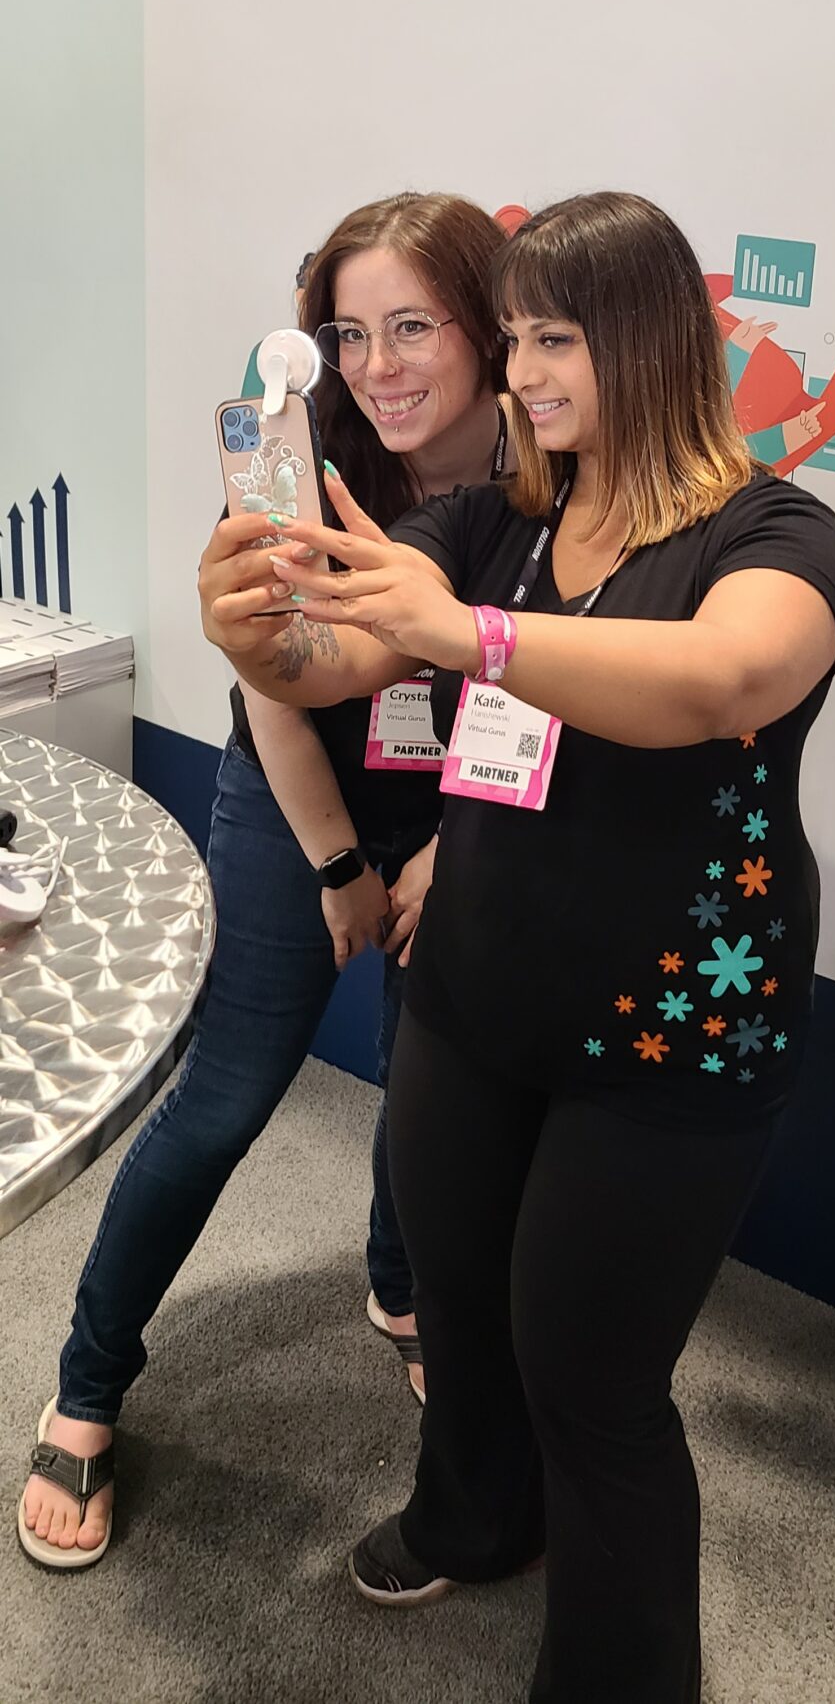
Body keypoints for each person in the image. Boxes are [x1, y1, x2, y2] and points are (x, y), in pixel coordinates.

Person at [197, 191, 835, 1704]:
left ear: (645, 340)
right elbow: (337, 651)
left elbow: (717, 679)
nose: (524, 373)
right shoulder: (499, 519)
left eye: (554, 338)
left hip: (670, 1043)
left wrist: (469, 637)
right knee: (465, 1312)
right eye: (514, 341)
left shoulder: (774, 534)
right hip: (475, 999)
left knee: (595, 1387)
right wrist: (249, 631)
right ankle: (477, 1516)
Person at [19, 190, 506, 1570]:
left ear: (486, 329)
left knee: (433, 1091)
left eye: (415, 325)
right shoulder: (290, 463)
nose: (381, 365)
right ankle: (88, 1384)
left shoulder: (543, 486)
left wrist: (445, 851)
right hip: (293, 808)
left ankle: (403, 1290)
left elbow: (537, 696)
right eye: (349, 332)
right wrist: (345, 866)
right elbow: (276, 690)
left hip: (459, 822)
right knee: (223, 1101)